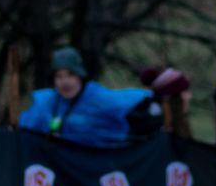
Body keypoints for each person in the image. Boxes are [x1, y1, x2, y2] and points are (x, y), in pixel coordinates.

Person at [19, 46, 158, 147]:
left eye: (70, 75)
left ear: (80, 76)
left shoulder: (96, 98)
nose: (64, 82)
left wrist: (156, 95)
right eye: (59, 76)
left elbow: (125, 100)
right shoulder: (45, 102)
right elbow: (25, 129)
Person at [139, 65, 193, 138]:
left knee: (179, 123)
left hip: (176, 97)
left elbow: (167, 111)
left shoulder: (160, 91)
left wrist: (166, 128)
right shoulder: (162, 87)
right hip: (180, 92)